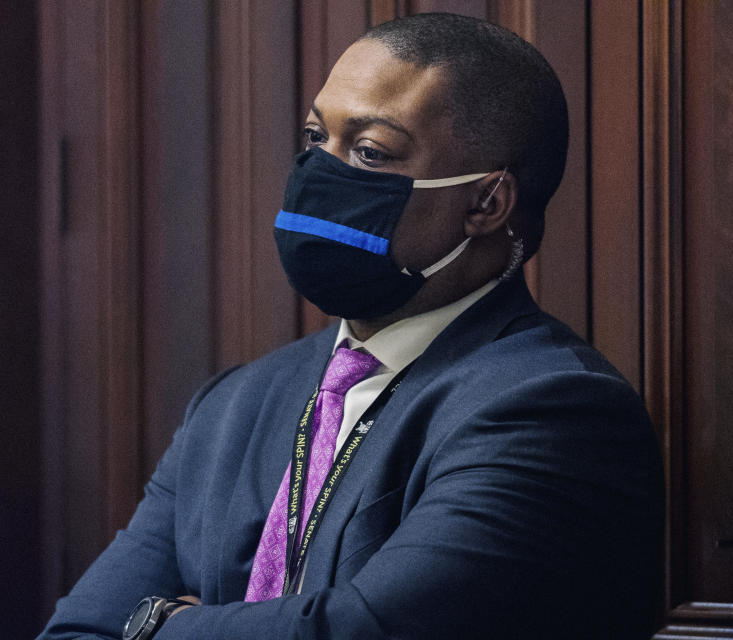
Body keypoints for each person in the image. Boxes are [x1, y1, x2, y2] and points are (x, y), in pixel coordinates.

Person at [39, 13, 663, 639]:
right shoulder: (232, 405)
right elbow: (76, 633)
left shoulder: (553, 406)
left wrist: (155, 628)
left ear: (486, 202)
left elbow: (361, 633)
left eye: (369, 151)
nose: (319, 176)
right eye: (316, 139)